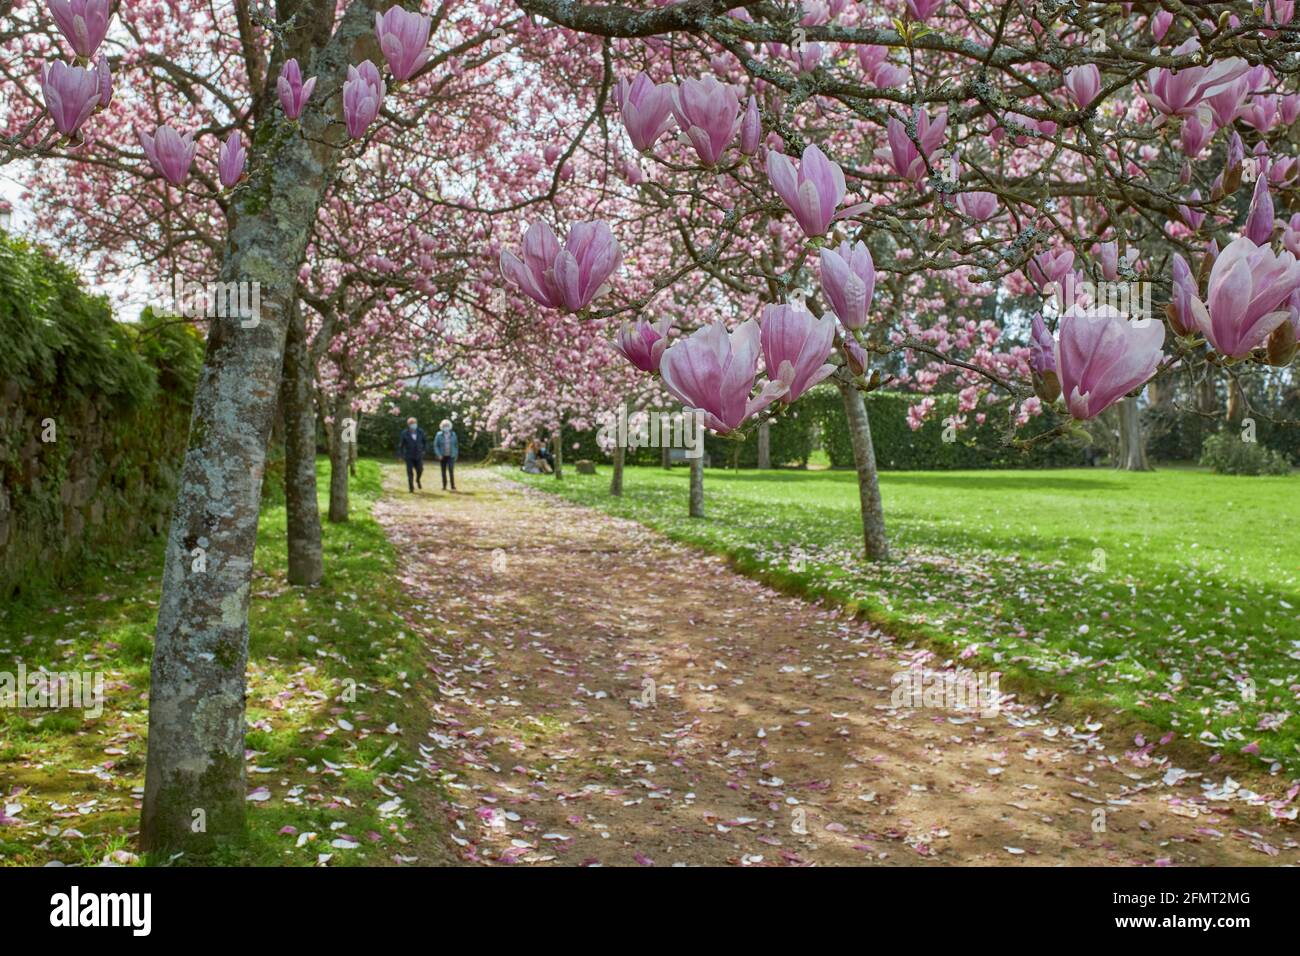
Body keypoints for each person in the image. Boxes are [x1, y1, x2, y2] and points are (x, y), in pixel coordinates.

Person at [397, 417, 426, 492]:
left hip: (418, 455)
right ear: (409, 425)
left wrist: (424, 450)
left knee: (420, 469)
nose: (414, 425)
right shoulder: (404, 433)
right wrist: (400, 455)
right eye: (412, 424)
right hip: (409, 455)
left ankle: (418, 480)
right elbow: (401, 445)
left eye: (415, 423)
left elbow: (424, 441)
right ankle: (411, 488)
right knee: (410, 472)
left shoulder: (420, 432)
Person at [434, 418, 458, 490]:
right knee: (443, 471)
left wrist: (456, 454)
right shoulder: (438, 435)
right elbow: (436, 445)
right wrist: (438, 454)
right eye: (444, 426)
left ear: (450, 426)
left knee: (451, 470)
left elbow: (456, 445)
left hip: (451, 455)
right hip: (442, 456)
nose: (446, 427)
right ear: (442, 427)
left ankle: (452, 486)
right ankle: (444, 486)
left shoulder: (453, 434)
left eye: (447, 425)